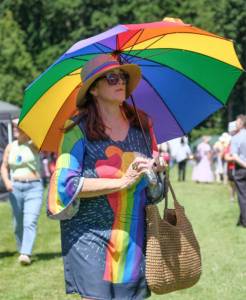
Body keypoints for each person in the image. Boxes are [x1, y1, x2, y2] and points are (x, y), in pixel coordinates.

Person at [47, 54, 165, 299]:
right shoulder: (76, 130)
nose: (119, 81)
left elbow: (154, 194)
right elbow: (64, 186)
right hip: (88, 237)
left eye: (122, 76)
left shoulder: (142, 126)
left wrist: (158, 172)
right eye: (111, 77)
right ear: (93, 90)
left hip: (133, 237)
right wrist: (122, 181)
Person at [0, 118, 44, 265]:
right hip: (15, 188)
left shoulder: (34, 145)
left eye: (19, 128)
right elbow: (4, 167)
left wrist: (27, 125)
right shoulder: (10, 147)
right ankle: (22, 248)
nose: (16, 130)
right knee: (17, 223)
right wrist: (7, 182)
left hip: (34, 188)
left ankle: (25, 253)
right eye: (15, 128)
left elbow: (40, 143)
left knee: (29, 221)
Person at [230, 115, 246, 227]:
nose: (235, 125)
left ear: (241, 124)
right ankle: (241, 221)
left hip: (241, 169)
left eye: (237, 123)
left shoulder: (236, 137)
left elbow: (234, 156)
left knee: (242, 196)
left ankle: (244, 222)